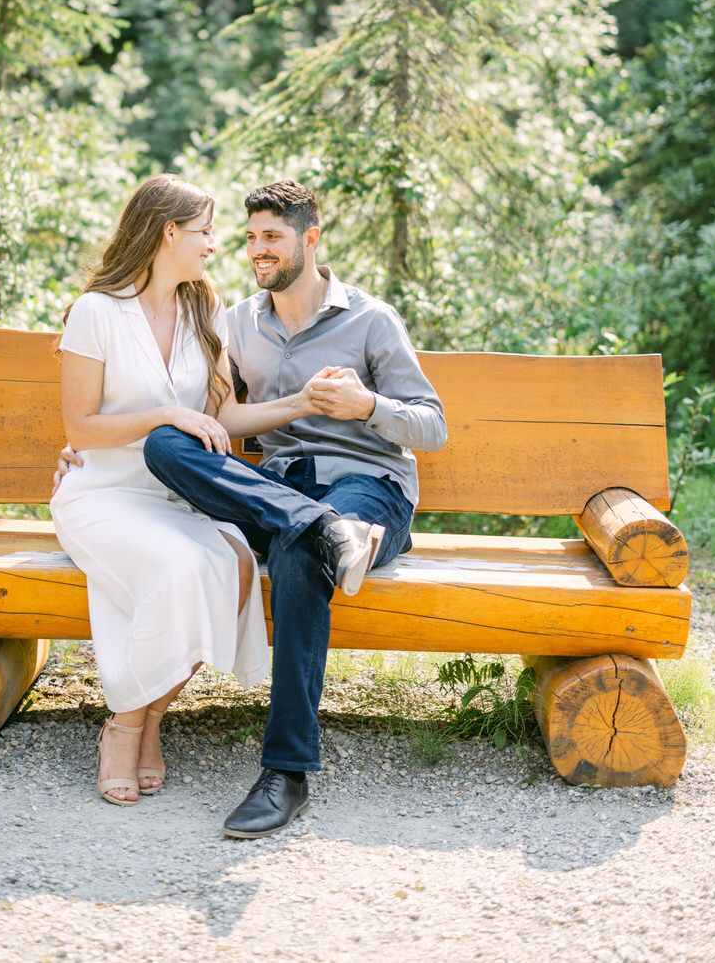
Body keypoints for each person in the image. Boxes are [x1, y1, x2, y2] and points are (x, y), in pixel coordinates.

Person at [57, 178, 447, 835]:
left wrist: (368, 407)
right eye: (248, 238)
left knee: (298, 560)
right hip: (280, 488)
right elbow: (216, 421)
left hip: (364, 484)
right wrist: (83, 446)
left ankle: (285, 773)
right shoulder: (231, 319)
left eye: (271, 237)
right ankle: (328, 532)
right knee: (168, 447)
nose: (254, 250)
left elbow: (431, 426)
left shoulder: (370, 319)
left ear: (309, 239)